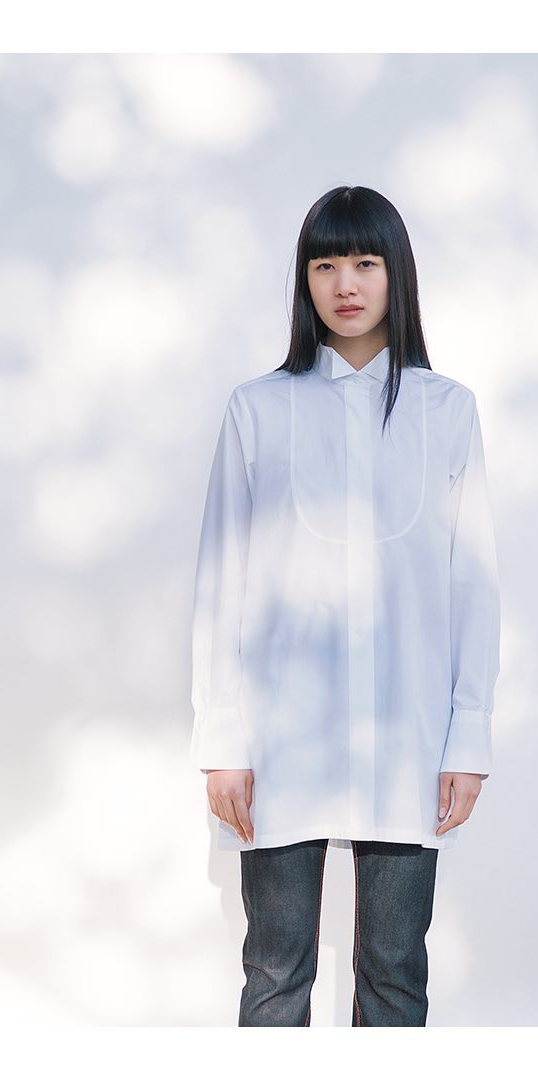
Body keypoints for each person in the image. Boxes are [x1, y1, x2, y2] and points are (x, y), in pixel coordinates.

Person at [190, 185, 501, 1026]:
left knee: (395, 973)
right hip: (280, 735)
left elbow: (472, 583)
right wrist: (221, 737)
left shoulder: (447, 411)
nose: (346, 284)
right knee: (274, 970)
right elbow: (222, 578)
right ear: (305, 280)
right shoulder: (259, 409)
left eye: (365, 262)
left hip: (409, 735)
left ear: (397, 273)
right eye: (325, 265)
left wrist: (467, 736)